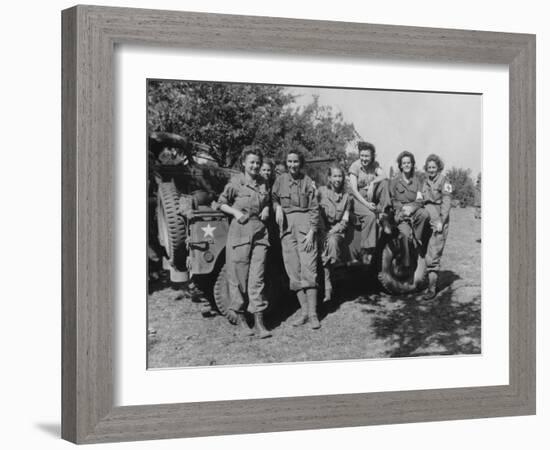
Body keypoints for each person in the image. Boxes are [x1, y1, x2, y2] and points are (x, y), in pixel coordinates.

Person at [217, 146, 272, 338]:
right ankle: (241, 319)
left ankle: (259, 322)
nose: (255, 166)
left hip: (259, 233)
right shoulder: (236, 182)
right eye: (252, 162)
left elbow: (267, 201)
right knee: (238, 276)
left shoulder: (264, 182)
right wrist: (235, 212)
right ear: (244, 163)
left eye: (258, 162)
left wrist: (267, 208)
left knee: (257, 277)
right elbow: (220, 202)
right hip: (240, 231)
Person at [272, 148, 321, 329]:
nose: (292, 165)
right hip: (286, 228)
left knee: (309, 269)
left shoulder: (307, 182)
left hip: (304, 226)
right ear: (286, 163)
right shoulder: (280, 181)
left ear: (301, 163)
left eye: (295, 161)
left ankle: (314, 314)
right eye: (289, 162)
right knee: (293, 271)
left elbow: (314, 207)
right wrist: (277, 207)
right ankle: (304, 313)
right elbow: (274, 198)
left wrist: (312, 231)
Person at [348, 141, 391, 264]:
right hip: (358, 199)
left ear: (372, 156)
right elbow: (354, 191)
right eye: (362, 155)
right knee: (370, 215)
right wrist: (367, 205)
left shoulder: (375, 165)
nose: (364, 159)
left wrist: (373, 183)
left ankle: (384, 216)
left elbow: (385, 175)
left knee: (384, 184)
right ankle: (367, 250)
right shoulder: (355, 166)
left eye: (367, 156)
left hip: (371, 196)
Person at [390, 151, 430, 267]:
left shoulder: (417, 181)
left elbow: (420, 200)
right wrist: (402, 209)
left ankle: (417, 240)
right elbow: (392, 200)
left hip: (414, 211)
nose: (406, 165)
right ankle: (406, 263)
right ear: (401, 165)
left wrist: (412, 208)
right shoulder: (395, 181)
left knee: (424, 214)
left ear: (412, 164)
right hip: (401, 213)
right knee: (405, 235)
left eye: (409, 163)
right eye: (404, 163)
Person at [317, 165, 351, 303]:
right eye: (335, 176)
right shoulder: (321, 192)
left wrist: (332, 231)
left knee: (331, 243)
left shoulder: (347, 197)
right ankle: (325, 285)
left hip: (336, 230)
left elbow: (344, 220)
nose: (337, 179)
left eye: (340, 176)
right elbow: (315, 211)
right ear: (329, 178)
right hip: (320, 228)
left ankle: (328, 286)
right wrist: (322, 230)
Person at [421, 154, 452, 299]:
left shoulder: (444, 181)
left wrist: (441, 221)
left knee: (434, 253)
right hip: (426, 217)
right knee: (425, 250)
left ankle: (432, 289)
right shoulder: (425, 181)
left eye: (433, 167)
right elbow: (420, 198)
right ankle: (425, 282)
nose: (431, 170)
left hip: (438, 220)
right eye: (429, 168)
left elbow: (446, 203)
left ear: (438, 167)